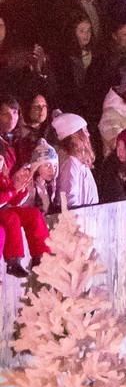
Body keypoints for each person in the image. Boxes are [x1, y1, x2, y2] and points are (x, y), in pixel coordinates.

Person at [0, 92, 50, 277]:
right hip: (3, 205)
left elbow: (9, 186)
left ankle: (41, 256)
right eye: (5, 114)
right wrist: (13, 188)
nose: (12, 118)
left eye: (15, 113)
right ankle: (13, 261)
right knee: (11, 220)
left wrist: (21, 184)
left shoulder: (10, 143)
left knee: (33, 215)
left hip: (6, 201)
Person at [52, 111, 99, 207]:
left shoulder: (78, 161)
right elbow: (69, 199)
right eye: (85, 131)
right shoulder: (71, 162)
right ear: (76, 135)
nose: (88, 134)